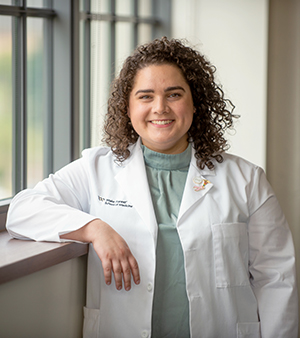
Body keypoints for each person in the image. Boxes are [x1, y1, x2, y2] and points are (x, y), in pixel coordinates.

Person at [6, 37, 298, 338]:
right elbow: (21, 211)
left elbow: (276, 279)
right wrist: (95, 229)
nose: (160, 108)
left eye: (174, 94)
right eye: (145, 96)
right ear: (127, 107)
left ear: (195, 102)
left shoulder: (246, 179)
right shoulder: (96, 169)